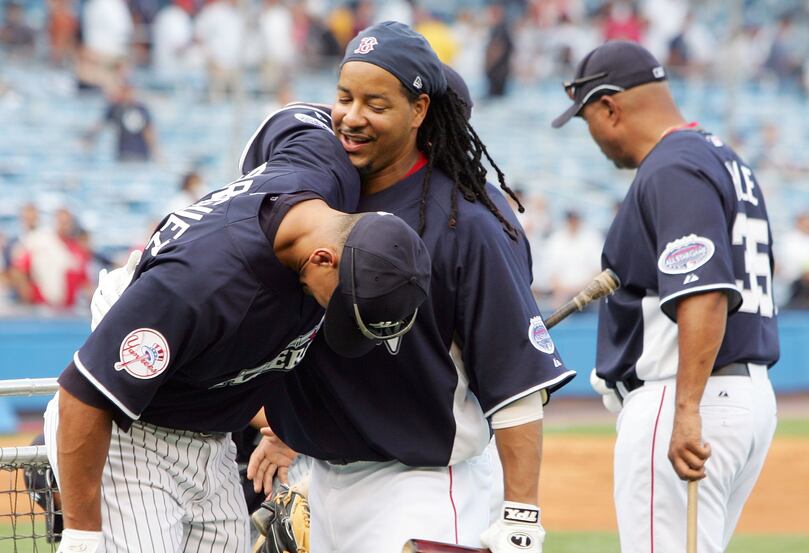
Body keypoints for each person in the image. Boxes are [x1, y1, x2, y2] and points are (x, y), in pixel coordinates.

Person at [44, 104, 432, 553]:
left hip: (213, 440)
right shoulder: (200, 285)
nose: (338, 317)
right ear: (324, 258)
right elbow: (83, 396)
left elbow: (297, 118)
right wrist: (82, 535)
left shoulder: (327, 174)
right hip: (135, 435)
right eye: (343, 306)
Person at [246, 22, 574, 553]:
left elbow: (515, 387)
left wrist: (521, 517)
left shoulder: (469, 224)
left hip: (420, 490)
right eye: (344, 98)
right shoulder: (321, 203)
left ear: (419, 111)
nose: (351, 117)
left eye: (375, 103)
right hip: (323, 481)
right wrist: (286, 429)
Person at [552, 40, 778, 553]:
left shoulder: (672, 166)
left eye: (587, 119)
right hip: (739, 395)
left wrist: (687, 410)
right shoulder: (723, 158)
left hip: (685, 392)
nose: (592, 137)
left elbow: (705, 291)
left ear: (609, 106)